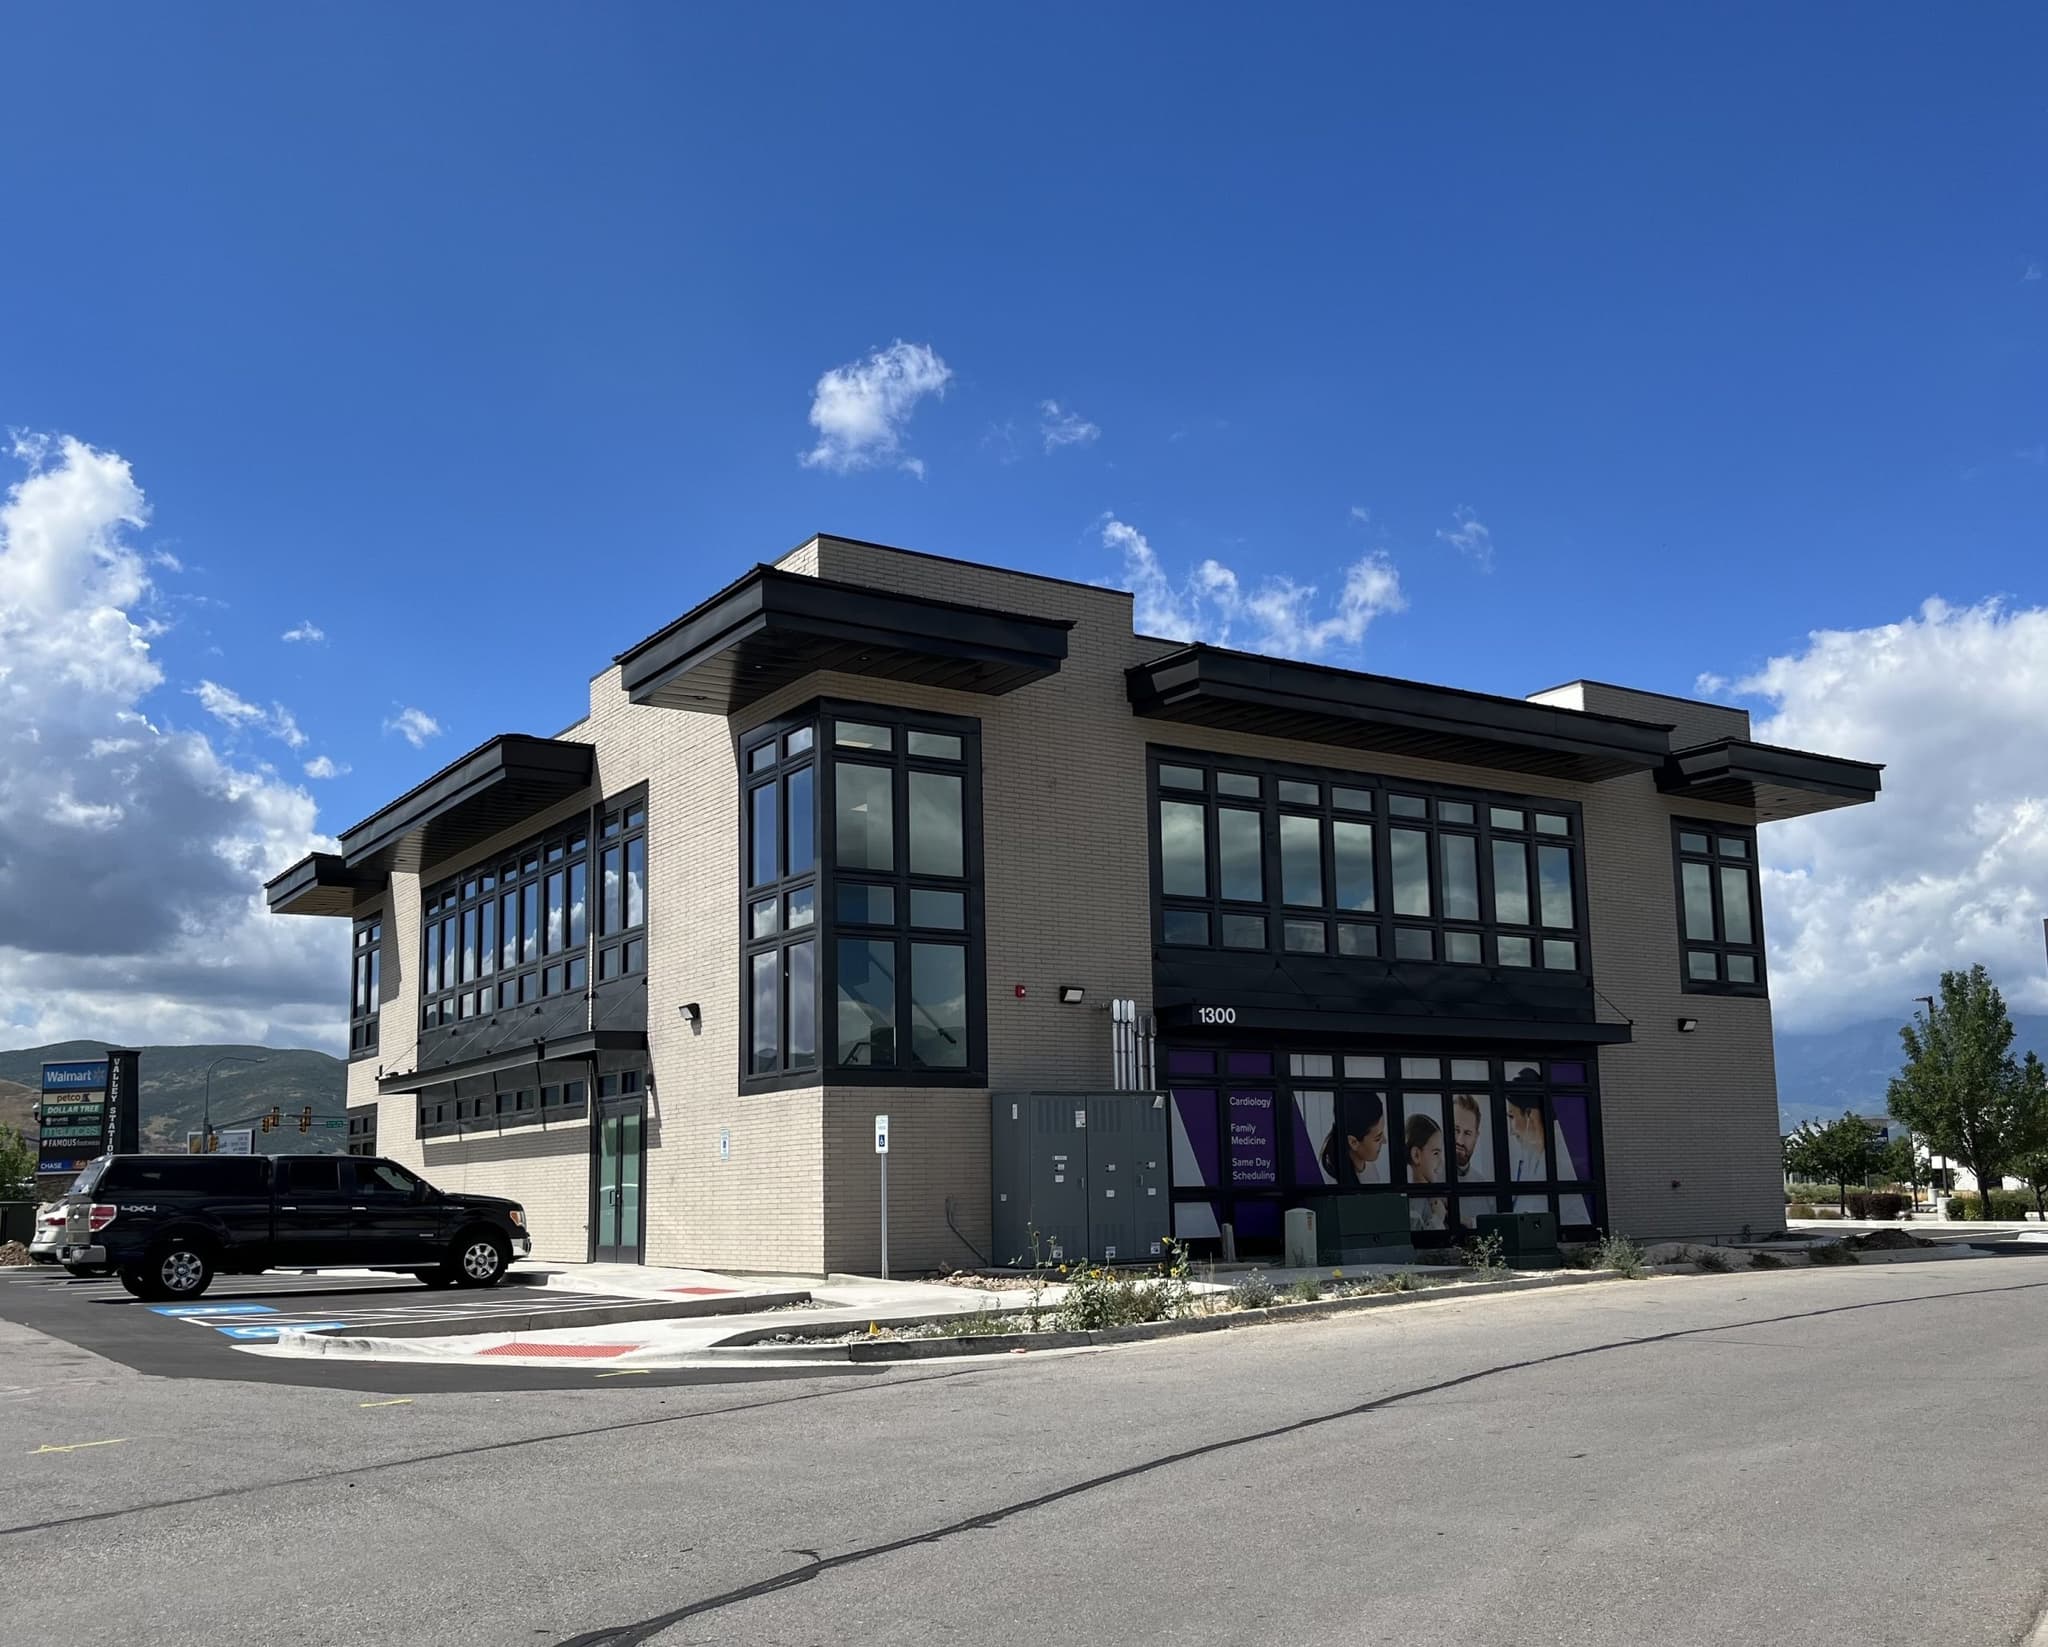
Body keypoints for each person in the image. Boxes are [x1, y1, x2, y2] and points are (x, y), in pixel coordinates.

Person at [1321, 1091, 1388, 1187]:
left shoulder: (1370, 1168)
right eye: (1377, 1138)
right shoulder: (1330, 1182)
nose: (1385, 1141)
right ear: (1353, 1142)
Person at [1406, 1112, 1447, 1230]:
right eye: (1436, 1153)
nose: (1441, 1161)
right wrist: (1438, 1217)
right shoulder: (1413, 1207)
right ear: (1416, 1155)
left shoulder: (1435, 1197)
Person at [1506, 1093, 1547, 1184]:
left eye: (1512, 1117)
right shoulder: (1531, 1159)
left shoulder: (1561, 1159)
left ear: (1529, 1114)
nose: (1511, 1132)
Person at [1452, 1092, 1491, 1180]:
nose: (1460, 1141)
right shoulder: (1429, 1179)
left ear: (1476, 1137)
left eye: (1467, 1133)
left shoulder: (1480, 1182)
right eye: (1456, 1130)